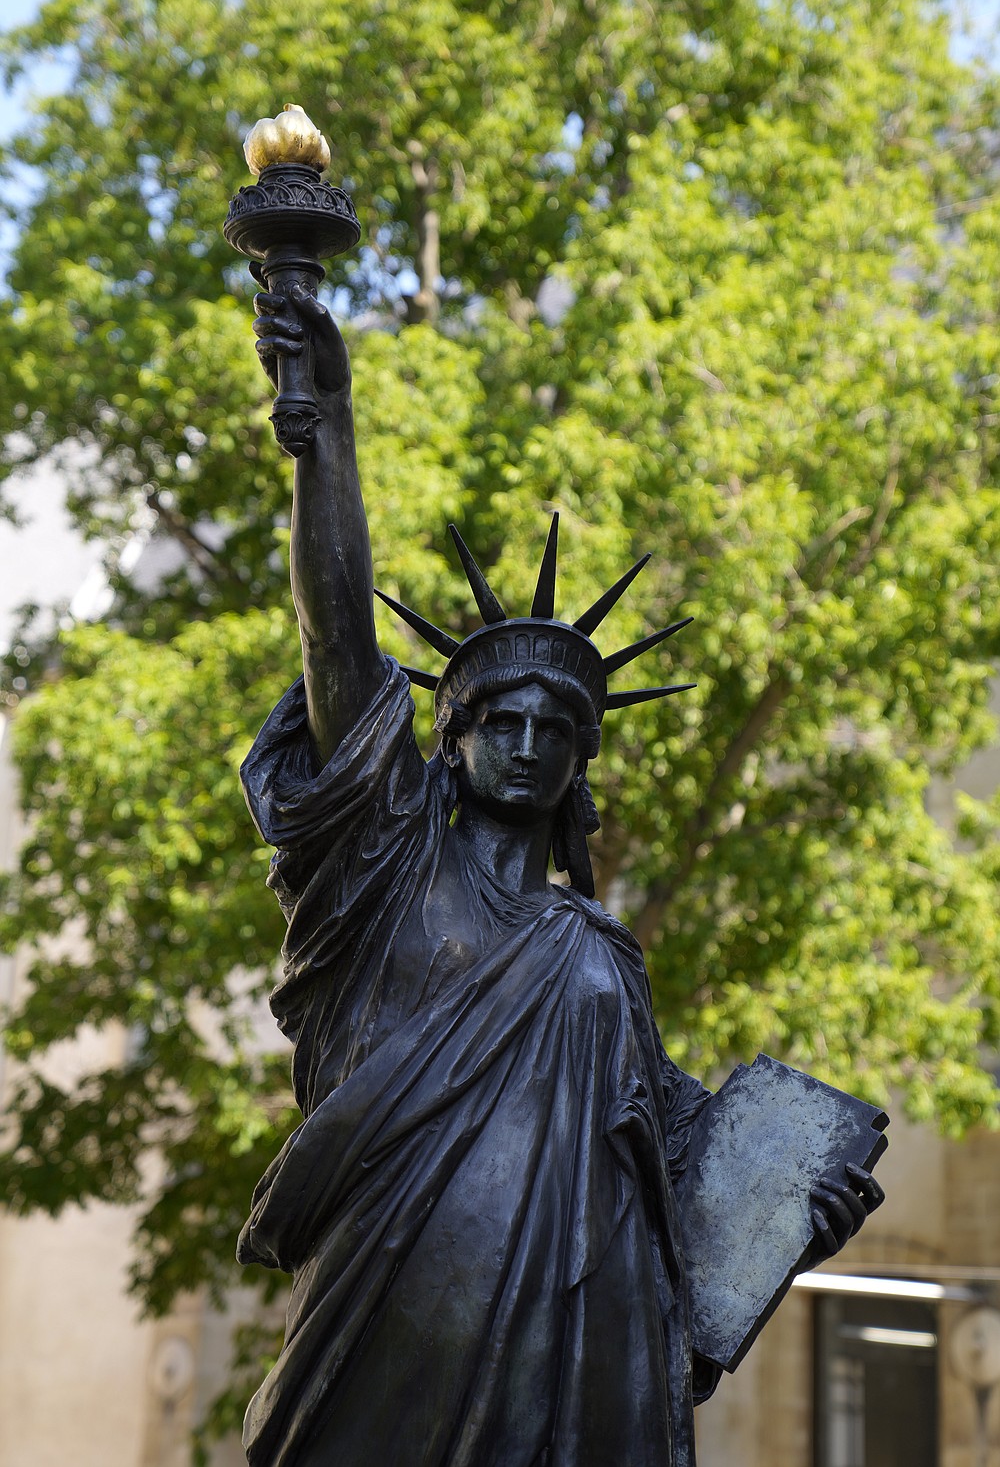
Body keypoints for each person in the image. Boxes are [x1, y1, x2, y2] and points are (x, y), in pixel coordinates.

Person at [237, 283, 883, 1467]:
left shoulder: (596, 953)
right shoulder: (383, 867)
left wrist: (793, 1211)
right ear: (453, 733)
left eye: (557, 727)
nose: (530, 742)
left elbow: (681, 1157)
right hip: (393, 1290)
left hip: (586, 1327)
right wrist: (323, 423)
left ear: (582, 758)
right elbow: (335, 629)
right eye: (504, 718)